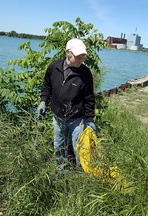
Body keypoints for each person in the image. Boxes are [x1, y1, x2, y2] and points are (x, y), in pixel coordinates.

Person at [37, 38, 96, 172]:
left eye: (83, 56)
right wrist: (43, 101)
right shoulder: (54, 67)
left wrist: (90, 119)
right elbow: (46, 85)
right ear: (68, 52)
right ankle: (61, 172)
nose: (81, 59)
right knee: (59, 146)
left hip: (77, 119)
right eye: (78, 56)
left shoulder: (85, 73)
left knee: (80, 149)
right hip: (58, 118)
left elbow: (89, 98)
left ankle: (82, 175)